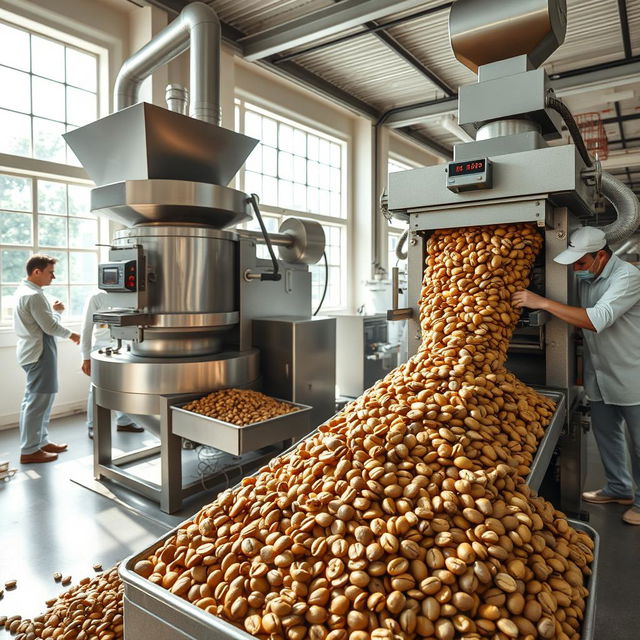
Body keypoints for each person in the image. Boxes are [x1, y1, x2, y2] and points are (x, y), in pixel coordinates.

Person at [513, 226, 640, 526]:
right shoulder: (589, 277)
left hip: (632, 372)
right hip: (601, 373)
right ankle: (618, 488)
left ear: (601, 256)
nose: (577, 270)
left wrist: (541, 303)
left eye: (582, 263)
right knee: (606, 434)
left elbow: (596, 320)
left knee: (639, 443)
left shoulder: (628, 278)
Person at [13, 255, 80, 464]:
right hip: (39, 353)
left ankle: (39, 442)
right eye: (50, 272)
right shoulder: (34, 295)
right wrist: (72, 333)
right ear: (36, 272)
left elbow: (41, 323)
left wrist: (54, 313)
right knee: (37, 401)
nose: (54, 276)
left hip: (32, 351)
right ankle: (30, 449)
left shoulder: (23, 291)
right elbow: (49, 327)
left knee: (39, 400)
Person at [81, 291, 143, 439]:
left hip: (126, 346)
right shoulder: (96, 297)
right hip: (101, 348)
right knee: (96, 388)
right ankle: (93, 426)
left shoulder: (134, 296)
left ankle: (124, 421)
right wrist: (85, 357)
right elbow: (86, 328)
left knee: (126, 386)